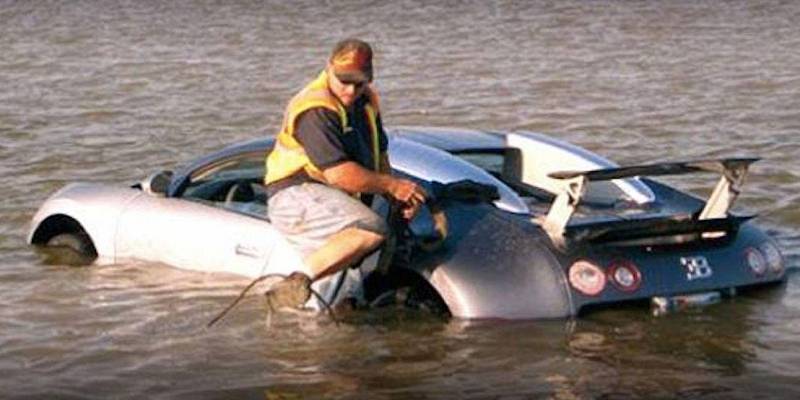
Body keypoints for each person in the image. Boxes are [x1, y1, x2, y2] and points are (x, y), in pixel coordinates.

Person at [263, 38, 427, 311]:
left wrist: (396, 196)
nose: (351, 91)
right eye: (344, 82)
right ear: (329, 68)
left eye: (359, 83)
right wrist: (391, 185)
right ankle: (295, 282)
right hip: (294, 193)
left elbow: (380, 157)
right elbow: (339, 174)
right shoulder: (315, 108)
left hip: (333, 200)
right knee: (371, 229)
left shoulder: (367, 103)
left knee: (346, 302)